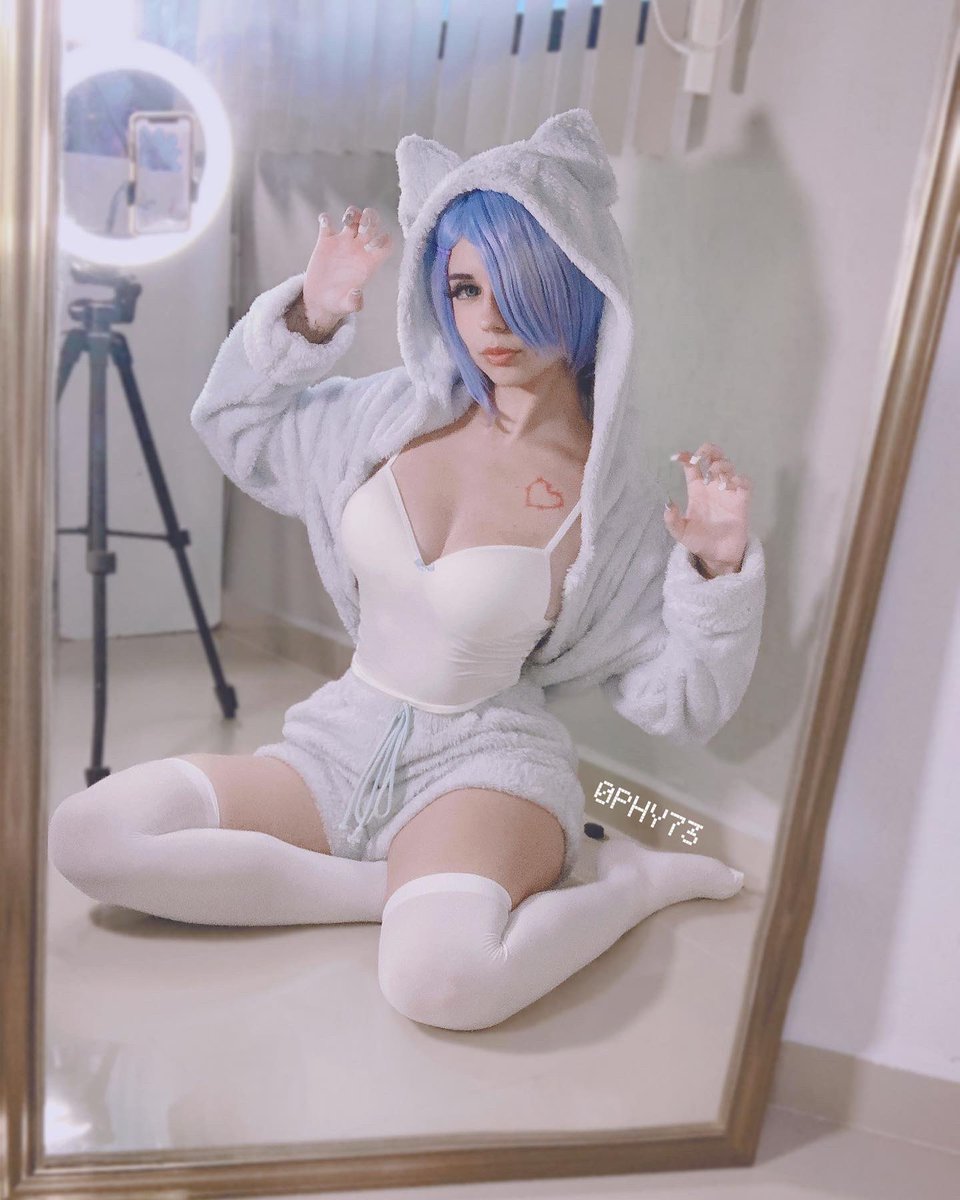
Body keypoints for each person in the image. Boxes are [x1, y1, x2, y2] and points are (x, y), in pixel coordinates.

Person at [48, 109, 766, 1032]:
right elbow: (236, 425)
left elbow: (681, 701)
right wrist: (309, 318)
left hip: (483, 766)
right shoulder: (386, 416)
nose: (490, 321)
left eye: (521, 287)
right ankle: (389, 889)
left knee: (441, 985)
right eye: (465, 288)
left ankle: (629, 880)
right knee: (90, 834)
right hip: (338, 740)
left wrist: (715, 572)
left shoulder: (612, 505)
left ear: (585, 287)